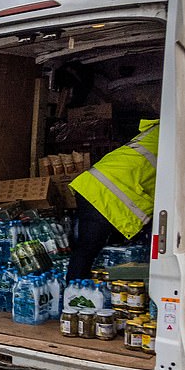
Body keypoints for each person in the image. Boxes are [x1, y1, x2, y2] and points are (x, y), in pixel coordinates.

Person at [66, 119, 159, 282]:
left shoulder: (160, 130)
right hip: (107, 193)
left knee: (93, 249)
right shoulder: (175, 135)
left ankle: (86, 291)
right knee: (88, 250)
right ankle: (74, 296)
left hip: (96, 185)